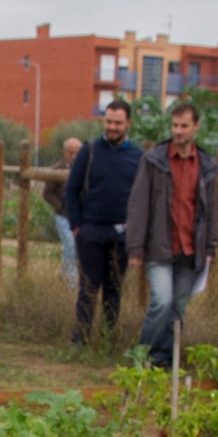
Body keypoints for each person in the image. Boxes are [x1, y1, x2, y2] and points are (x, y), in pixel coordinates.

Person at [126, 100, 218, 369]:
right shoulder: (154, 160)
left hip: (191, 248)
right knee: (161, 302)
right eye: (175, 125)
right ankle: (141, 357)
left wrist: (210, 247)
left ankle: (163, 359)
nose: (178, 131)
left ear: (196, 127)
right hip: (159, 246)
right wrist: (135, 247)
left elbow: (210, 211)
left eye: (184, 126)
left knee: (178, 310)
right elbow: (139, 204)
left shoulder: (207, 167)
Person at [63, 100, 142, 347]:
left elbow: (143, 199)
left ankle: (108, 341)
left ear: (128, 123)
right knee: (88, 289)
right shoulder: (89, 151)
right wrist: (77, 227)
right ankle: (80, 341)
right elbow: (71, 190)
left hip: (121, 234)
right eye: (108, 121)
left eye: (118, 122)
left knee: (113, 290)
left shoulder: (139, 157)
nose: (112, 127)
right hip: (91, 232)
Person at [42, 136, 84, 289]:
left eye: (76, 153)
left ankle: (64, 276)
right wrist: (61, 207)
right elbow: (47, 193)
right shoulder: (56, 169)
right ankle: (72, 283)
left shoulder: (85, 169)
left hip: (80, 216)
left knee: (73, 247)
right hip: (63, 216)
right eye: (70, 153)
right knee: (71, 244)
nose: (73, 156)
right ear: (64, 152)